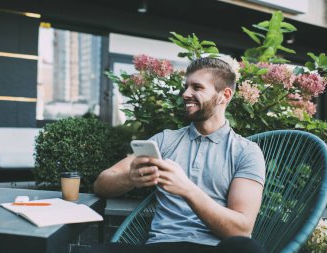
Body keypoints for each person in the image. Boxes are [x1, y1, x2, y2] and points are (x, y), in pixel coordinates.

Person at [75, 57, 266, 253]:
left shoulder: (246, 151)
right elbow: (101, 184)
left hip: (213, 249)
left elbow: (241, 230)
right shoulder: (165, 140)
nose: (186, 94)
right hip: (161, 247)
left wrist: (187, 189)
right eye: (186, 87)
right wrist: (130, 177)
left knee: (247, 248)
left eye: (197, 87)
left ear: (224, 95)